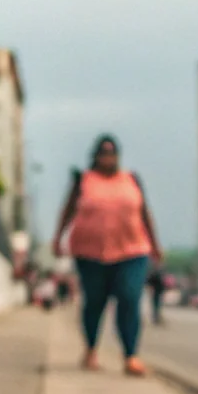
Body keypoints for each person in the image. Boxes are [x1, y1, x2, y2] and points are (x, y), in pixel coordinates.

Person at [51, 135, 163, 376]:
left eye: (112, 153)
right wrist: (58, 238)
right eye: (103, 153)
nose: (108, 158)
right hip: (90, 253)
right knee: (94, 301)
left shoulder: (131, 179)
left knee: (130, 298)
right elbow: (68, 210)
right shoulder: (84, 180)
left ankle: (131, 355)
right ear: (95, 156)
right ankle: (91, 349)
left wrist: (155, 244)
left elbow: (144, 213)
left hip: (132, 250)